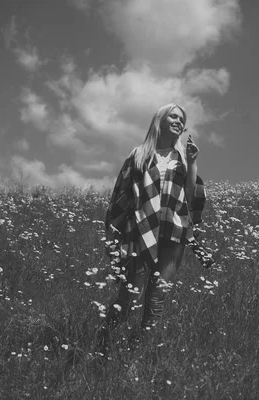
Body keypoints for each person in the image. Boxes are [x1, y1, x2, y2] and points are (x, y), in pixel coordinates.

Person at [99, 103, 210, 354]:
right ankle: (103, 343)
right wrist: (115, 233)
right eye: (174, 116)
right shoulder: (139, 154)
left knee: (157, 295)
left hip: (174, 231)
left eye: (182, 119)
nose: (179, 121)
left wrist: (192, 163)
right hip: (141, 232)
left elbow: (191, 197)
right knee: (131, 294)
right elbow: (120, 194)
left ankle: (135, 353)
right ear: (159, 120)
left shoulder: (182, 158)